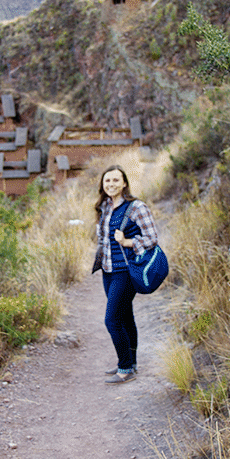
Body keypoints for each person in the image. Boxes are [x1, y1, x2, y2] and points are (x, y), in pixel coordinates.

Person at [92, 164, 158, 384]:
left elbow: (151, 238)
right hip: (108, 271)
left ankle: (125, 367)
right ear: (103, 184)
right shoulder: (104, 207)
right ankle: (131, 362)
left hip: (126, 271)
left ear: (124, 183)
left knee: (111, 320)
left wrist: (127, 241)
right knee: (125, 317)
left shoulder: (136, 207)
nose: (111, 184)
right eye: (107, 181)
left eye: (115, 180)